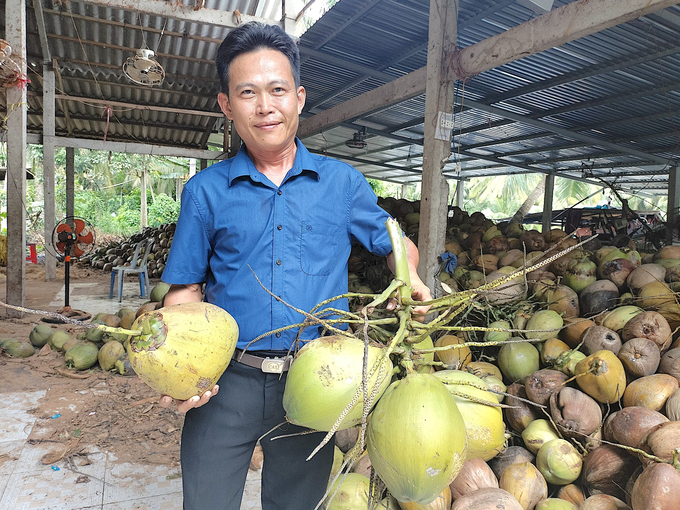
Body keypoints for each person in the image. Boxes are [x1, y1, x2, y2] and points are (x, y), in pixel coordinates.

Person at [158, 21, 432, 510]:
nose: (265, 107)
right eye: (247, 92)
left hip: (315, 382)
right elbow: (185, 292)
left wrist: (408, 276)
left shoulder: (342, 183)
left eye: (277, 90)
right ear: (227, 105)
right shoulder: (204, 192)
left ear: (299, 98)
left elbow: (395, 241)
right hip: (225, 382)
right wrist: (180, 372)